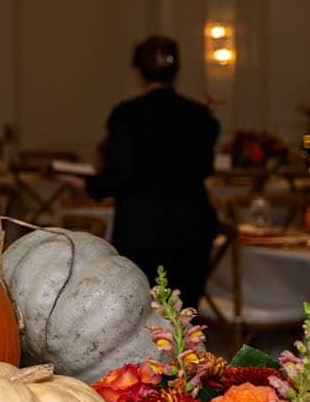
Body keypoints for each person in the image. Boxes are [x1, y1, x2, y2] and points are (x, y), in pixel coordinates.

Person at [66, 36, 220, 309]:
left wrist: (85, 183)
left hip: (144, 230)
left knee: (144, 316)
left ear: (138, 72)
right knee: (185, 318)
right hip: (193, 229)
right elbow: (204, 168)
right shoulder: (199, 115)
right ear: (177, 71)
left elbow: (119, 177)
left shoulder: (127, 114)